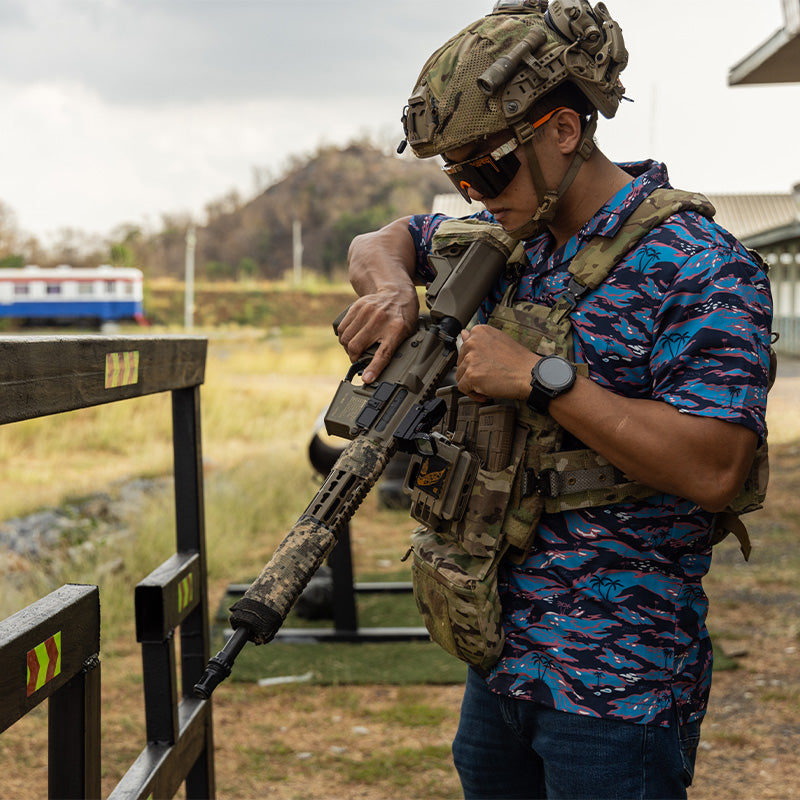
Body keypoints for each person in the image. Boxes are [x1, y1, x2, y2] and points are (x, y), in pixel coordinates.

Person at [336, 1, 773, 798]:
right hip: (499, 656)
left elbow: (715, 467)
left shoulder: (700, 266)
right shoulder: (509, 237)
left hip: (617, 682)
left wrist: (540, 378)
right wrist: (396, 291)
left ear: (563, 131)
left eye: (488, 170)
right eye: (456, 176)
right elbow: (381, 242)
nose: (472, 191)